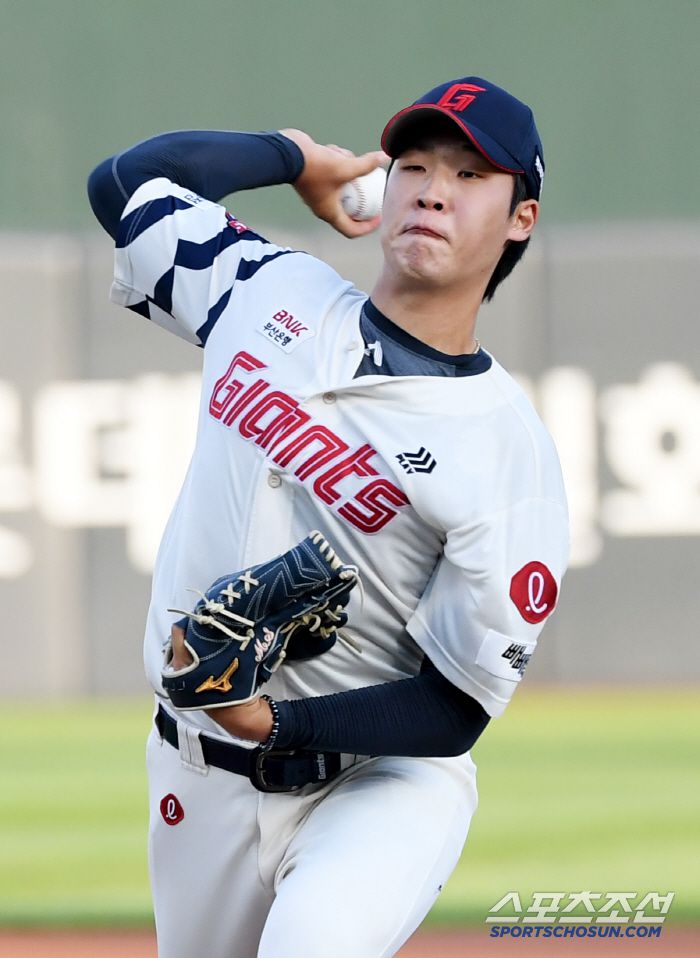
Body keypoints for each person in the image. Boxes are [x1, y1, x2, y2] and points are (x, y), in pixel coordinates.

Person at [88, 76, 569, 958]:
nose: (432, 190)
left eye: (470, 176)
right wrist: (291, 157)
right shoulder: (265, 291)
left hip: (376, 786)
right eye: (415, 165)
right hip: (196, 775)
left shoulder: (507, 452)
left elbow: (457, 704)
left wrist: (275, 725)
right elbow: (124, 185)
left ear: (520, 219)